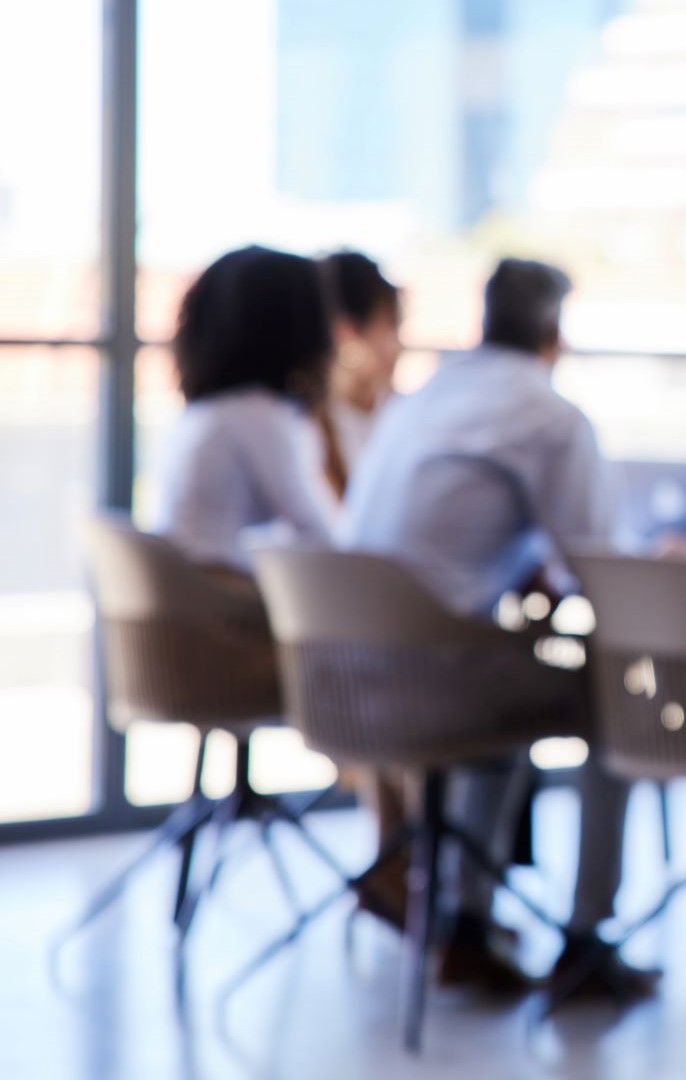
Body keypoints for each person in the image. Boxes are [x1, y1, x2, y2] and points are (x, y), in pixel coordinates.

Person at [340, 258, 646, 997]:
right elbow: (600, 565)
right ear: (553, 333)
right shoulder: (548, 415)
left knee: (514, 698)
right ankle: (587, 939)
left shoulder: (424, 396)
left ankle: (462, 922)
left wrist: (517, 566)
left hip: (342, 676)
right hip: (436, 681)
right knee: (617, 699)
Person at [314, 250, 410, 924]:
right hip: (335, 627)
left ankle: (406, 871)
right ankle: (408, 872)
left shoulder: (408, 417)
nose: (392, 347)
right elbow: (339, 534)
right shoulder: (307, 424)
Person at [152, 245, 337, 571]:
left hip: (188, 595)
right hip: (221, 605)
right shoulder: (258, 416)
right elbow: (322, 535)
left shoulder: (209, 412)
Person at [315, 250, 404, 498]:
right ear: (349, 332)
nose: (399, 346)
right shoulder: (306, 429)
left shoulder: (401, 412)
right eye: (391, 325)